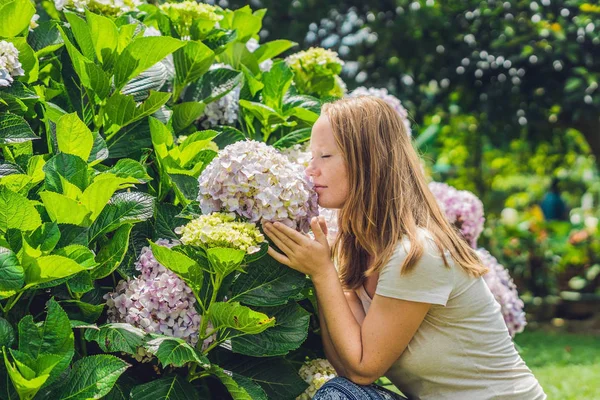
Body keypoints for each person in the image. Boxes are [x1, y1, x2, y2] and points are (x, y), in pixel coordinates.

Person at [263, 96, 546, 400]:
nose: (310, 170)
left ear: (367, 162)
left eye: (325, 156)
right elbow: (346, 367)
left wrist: (322, 273)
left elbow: (363, 369)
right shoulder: (361, 248)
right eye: (311, 156)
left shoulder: (416, 253)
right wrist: (328, 268)